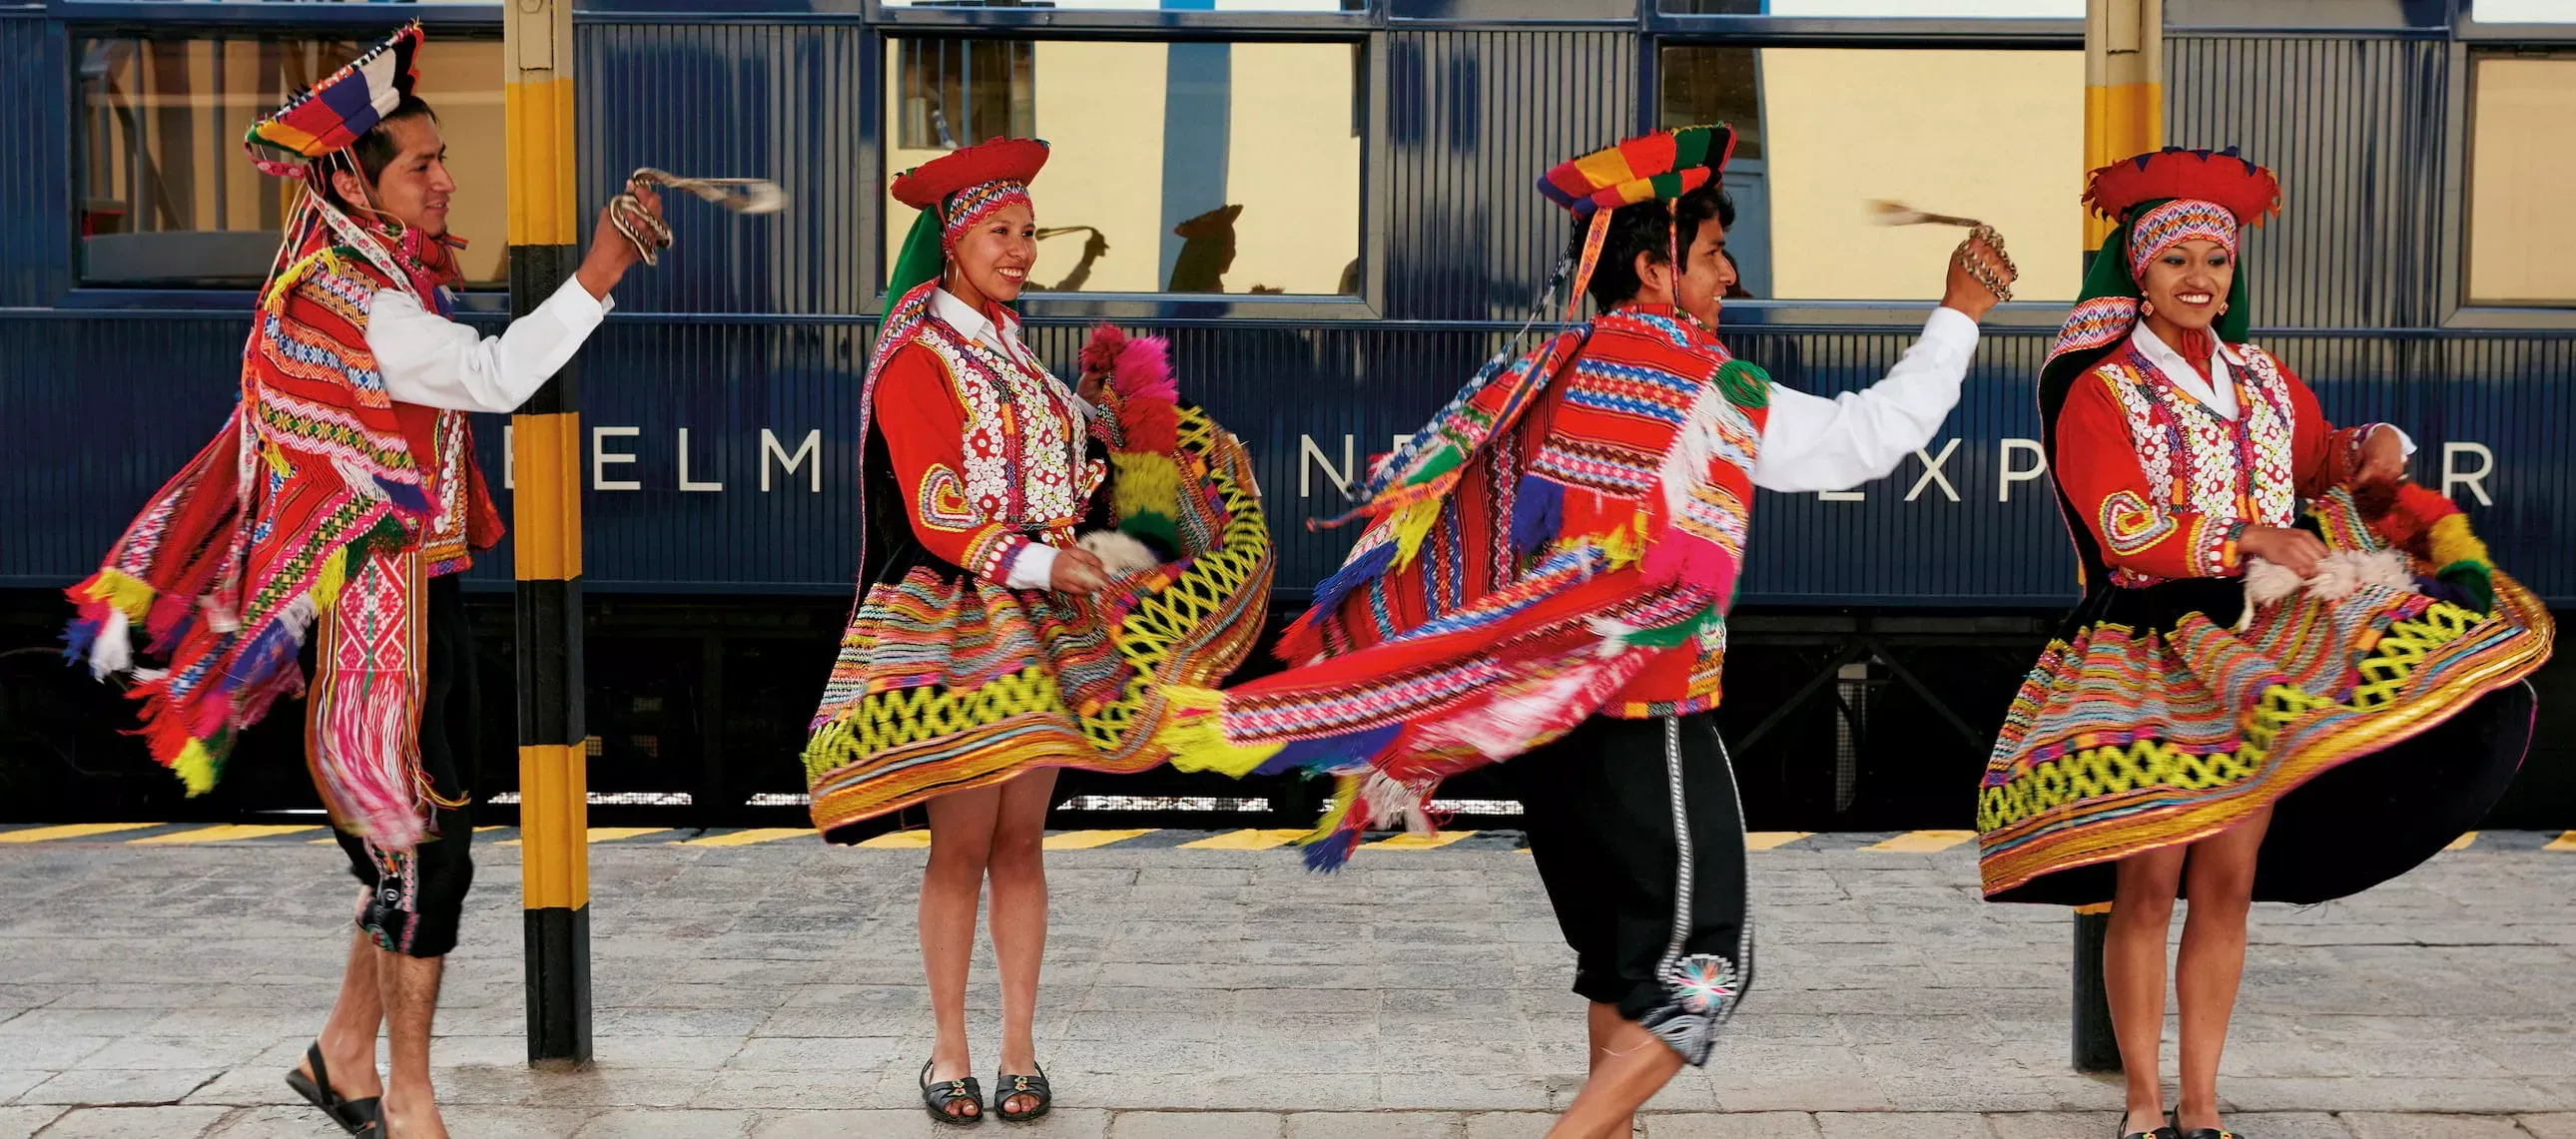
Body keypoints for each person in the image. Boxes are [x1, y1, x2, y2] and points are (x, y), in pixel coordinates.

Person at [1156, 124, 2014, 1139]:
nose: (1729, 274)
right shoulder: (1700, 382)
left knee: (1617, 957)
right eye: (1709, 255)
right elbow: (1868, 436)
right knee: (1704, 969)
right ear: (1652, 269)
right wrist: (1959, 314)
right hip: (1647, 715)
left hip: (1551, 726)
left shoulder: (1550, 366)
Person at [58, 23, 665, 1139]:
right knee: (423, 865)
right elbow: (488, 379)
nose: (444, 181)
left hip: (419, 600)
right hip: (370, 627)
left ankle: (343, 1054)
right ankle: (411, 1098)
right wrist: (599, 273)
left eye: (442, 158)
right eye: (421, 165)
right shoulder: (349, 297)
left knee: (416, 845)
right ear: (354, 178)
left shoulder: (373, 273)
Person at [1970, 147, 2552, 1139]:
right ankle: (2143, 1107)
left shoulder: (2266, 380)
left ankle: (2202, 1105)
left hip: (2263, 646)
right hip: (2151, 649)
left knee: (2228, 881)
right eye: (2176, 262)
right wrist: (2244, 533)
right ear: (2140, 277)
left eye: (2217, 262)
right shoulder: (2098, 390)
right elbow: (2120, 525)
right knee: (2147, 885)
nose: (2200, 281)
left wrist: (2376, 450)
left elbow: (2332, 467)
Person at [799, 137, 1273, 1124]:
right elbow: (936, 508)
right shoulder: (915, 358)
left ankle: (1018, 1048)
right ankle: (947, 1052)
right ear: (954, 240)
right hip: (962, 621)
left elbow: (1081, 476)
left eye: (1026, 232)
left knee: (1022, 842)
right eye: (999, 233)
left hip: (1044, 615)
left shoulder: (1017, 355)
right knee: (960, 845)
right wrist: (1048, 559)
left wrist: (1155, 451)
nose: (1020, 250)